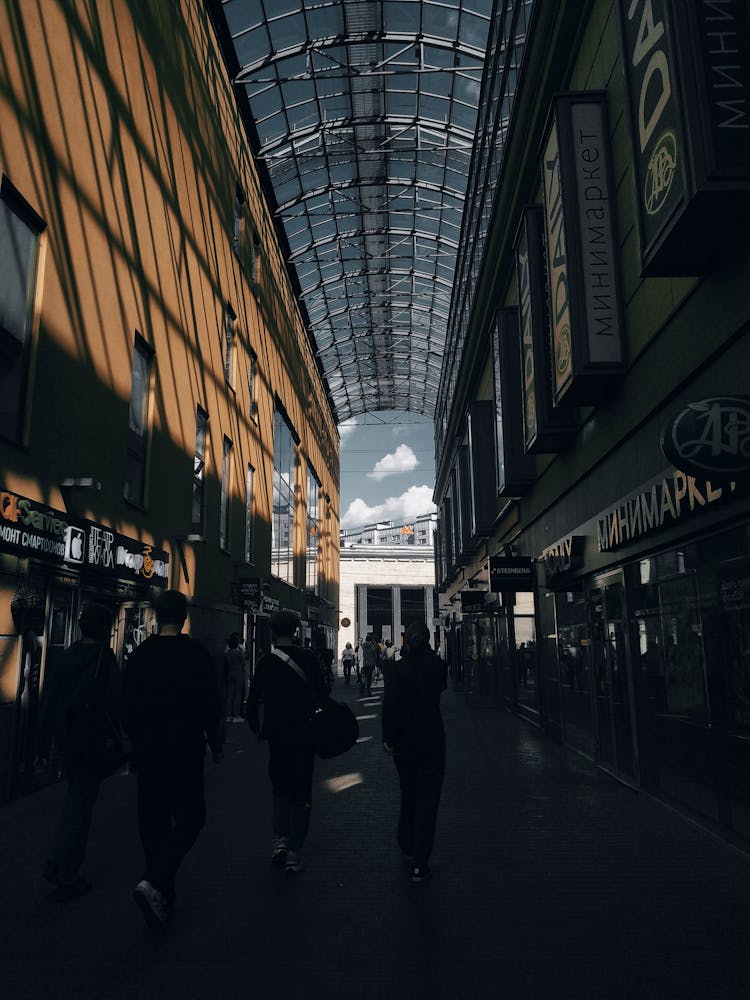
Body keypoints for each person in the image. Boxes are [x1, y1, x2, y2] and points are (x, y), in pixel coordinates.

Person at [123, 590, 223, 931]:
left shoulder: (139, 656)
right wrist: (217, 741)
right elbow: (212, 703)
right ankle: (157, 882)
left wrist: (133, 743)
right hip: (186, 751)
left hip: (149, 753)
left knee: (153, 825)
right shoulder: (196, 655)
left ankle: (161, 894)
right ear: (184, 618)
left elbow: (127, 705)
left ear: (155, 615)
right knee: (192, 818)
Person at [37, 603, 121, 901]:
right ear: (106, 629)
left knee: (75, 798)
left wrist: (43, 741)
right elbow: (115, 700)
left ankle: (58, 861)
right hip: (92, 740)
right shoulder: (104, 657)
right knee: (80, 806)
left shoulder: (67, 655)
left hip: (66, 739)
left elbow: (50, 699)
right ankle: (65, 870)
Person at [245, 610, 325, 874]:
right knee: (301, 790)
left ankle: (279, 840)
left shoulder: (266, 662)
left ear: (272, 631)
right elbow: (322, 694)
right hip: (304, 733)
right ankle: (294, 851)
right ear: (296, 630)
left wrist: (257, 727)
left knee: (279, 787)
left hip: (276, 735)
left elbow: (252, 699)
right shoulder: (308, 659)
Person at [381, 620, 447, 884]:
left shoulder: (397, 669)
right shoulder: (438, 666)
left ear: (407, 640)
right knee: (428, 800)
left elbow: (390, 706)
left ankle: (406, 842)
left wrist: (388, 737)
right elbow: (439, 688)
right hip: (431, 738)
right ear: (428, 640)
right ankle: (420, 861)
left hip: (405, 741)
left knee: (408, 792)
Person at [224, 632, 246, 721]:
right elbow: (243, 662)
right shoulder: (239, 652)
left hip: (230, 673)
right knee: (237, 695)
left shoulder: (227, 653)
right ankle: (236, 715)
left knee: (230, 695)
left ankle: (229, 715)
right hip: (238, 673)